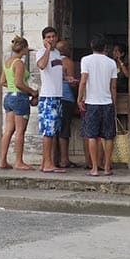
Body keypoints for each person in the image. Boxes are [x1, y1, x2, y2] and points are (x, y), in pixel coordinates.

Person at [77, 36, 117, 176]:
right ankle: (106, 167)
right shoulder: (112, 63)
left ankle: (94, 168)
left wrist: (79, 98)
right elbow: (113, 86)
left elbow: (83, 81)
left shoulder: (86, 60)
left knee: (92, 136)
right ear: (104, 47)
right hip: (107, 102)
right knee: (108, 136)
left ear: (91, 45)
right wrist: (113, 102)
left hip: (91, 102)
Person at [0, 36, 37, 171]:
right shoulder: (18, 63)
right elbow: (19, 83)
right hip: (19, 98)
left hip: (9, 97)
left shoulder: (8, 62)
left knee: (8, 130)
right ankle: (19, 162)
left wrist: (12, 88)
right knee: (20, 131)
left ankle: (2, 160)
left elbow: (2, 81)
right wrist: (32, 91)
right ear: (24, 48)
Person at [36, 26, 65, 173]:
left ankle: (45, 163)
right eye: (48, 37)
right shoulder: (42, 53)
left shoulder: (58, 53)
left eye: (53, 36)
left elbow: (55, 72)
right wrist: (47, 49)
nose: (51, 39)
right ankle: (48, 164)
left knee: (53, 131)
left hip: (57, 95)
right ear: (44, 39)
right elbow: (41, 65)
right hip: (48, 96)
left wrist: (67, 78)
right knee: (48, 131)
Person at [55, 39, 79, 169]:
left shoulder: (52, 61)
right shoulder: (68, 62)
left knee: (55, 129)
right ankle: (64, 160)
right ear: (66, 50)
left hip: (55, 97)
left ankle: (55, 158)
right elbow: (72, 82)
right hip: (66, 98)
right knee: (64, 129)